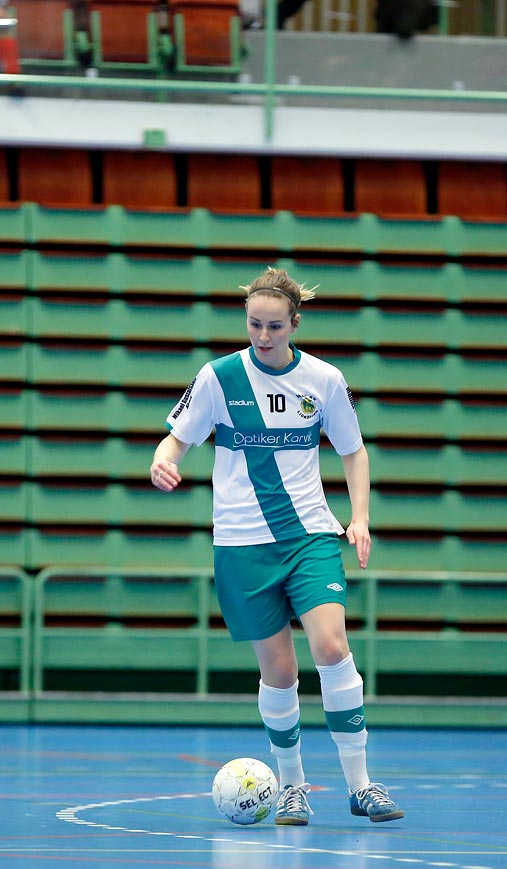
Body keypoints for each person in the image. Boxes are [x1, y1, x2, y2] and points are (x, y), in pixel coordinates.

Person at [150, 267, 404, 826]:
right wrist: (163, 460)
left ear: (294, 323)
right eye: (253, 325)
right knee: (281, 673)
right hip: (242, 545)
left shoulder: (324, 380)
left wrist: (358, 518)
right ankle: (292, 788)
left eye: (273, 326)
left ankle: (362, 787)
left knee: (332, 647)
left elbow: (354, 451)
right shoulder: (219, 378)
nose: (263, 336)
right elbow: (178, 437)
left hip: (309, 535)